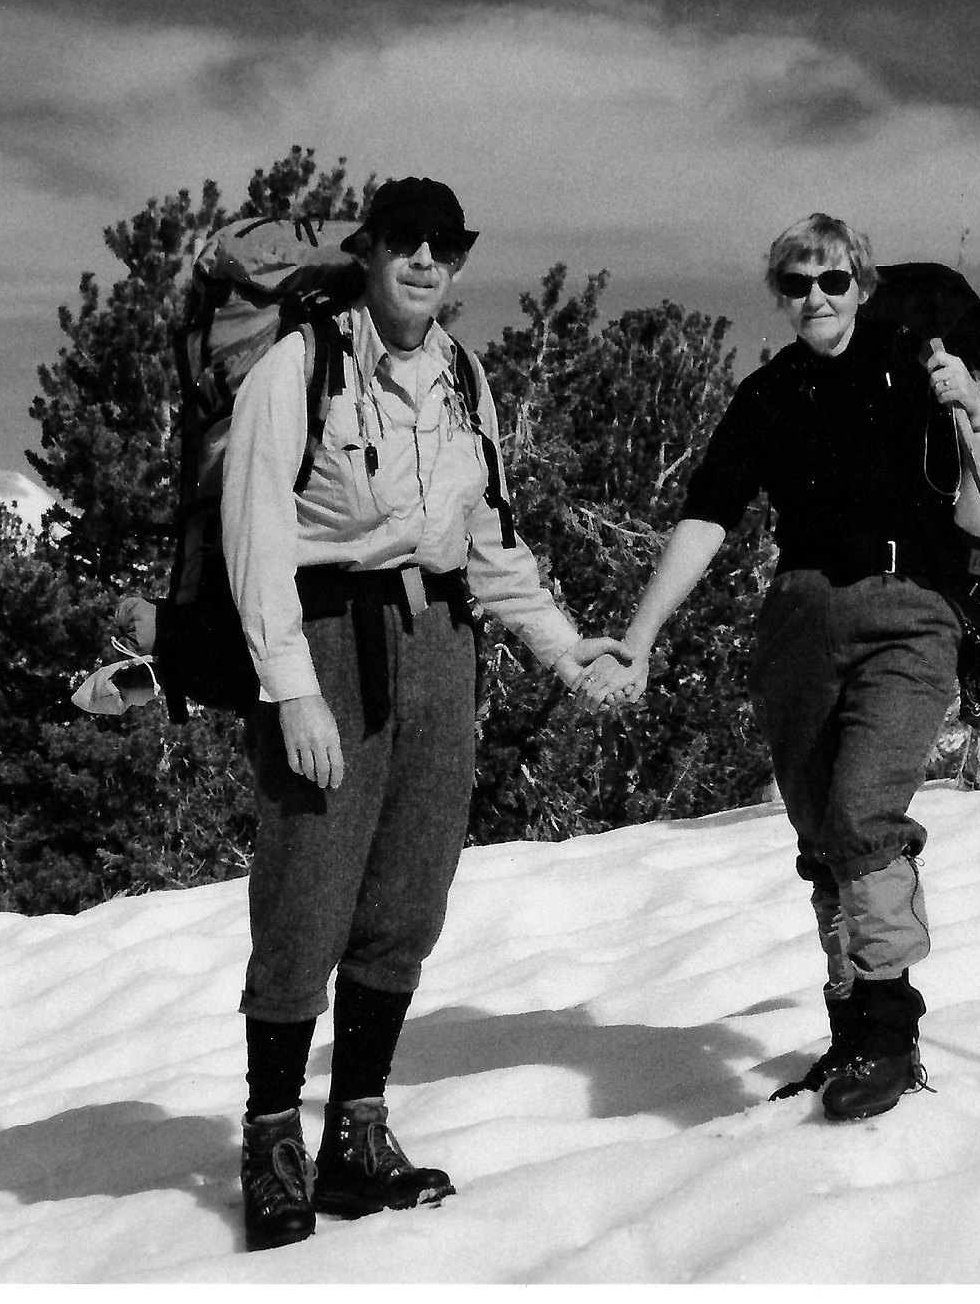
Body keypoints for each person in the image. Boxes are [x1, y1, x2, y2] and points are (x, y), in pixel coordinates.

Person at [223, 177, 620, 1249]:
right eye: (406, 241)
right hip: (326, 640)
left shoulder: (462, 379)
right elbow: (253, 542)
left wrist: (560, 644)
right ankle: (270, 1137)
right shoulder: (294, 369)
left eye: (445, 246)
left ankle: (356, 1127)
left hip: (441, 643)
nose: (425, 260)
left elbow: (489, 539)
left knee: (407, 887)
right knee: (308, 882)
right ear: (369, 251)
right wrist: (288, 686)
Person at [579, 212, 980, 1123]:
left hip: (909, 610)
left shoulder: (919, 369)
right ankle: (851, 1029)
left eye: (834, 281)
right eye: (798, 284)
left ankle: (888, 1032)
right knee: (822, 834)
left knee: (861, 816)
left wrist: (972, 412)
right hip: (800, 619)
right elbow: (708, 515)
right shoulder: (769, 396)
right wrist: (642, 633)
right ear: (780, 295)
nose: (817, 298)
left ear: (861, 282)